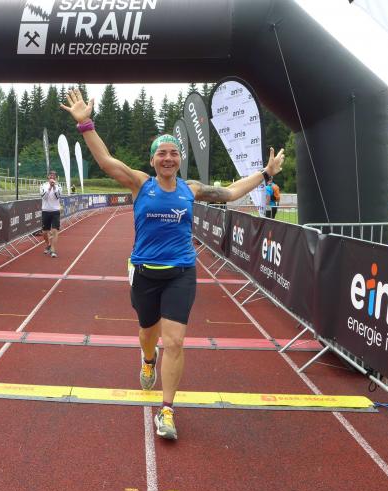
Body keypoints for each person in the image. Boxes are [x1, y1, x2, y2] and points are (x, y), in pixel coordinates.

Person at [61, 88, 285, 440]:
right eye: (161, 153)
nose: (168, 158)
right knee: (147, 334)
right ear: (152, 160)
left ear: (180, 159)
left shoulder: (190, 189)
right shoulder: (140, 184)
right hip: (145, 273)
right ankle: (148, 359)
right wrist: (85, 124)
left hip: (181, 272)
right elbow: (106, 162)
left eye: (173, 153)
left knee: (176, 341)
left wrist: (266, 174)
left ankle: (166, 410)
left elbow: (230, 193)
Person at [40, 170, 62, 258]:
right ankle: (48, 244)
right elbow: (44, 197)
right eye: (50, 175)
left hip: (55, 211)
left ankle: (53, 250)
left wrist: (54, 187)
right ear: (48, 177)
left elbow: (58, 196)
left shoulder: (59, 186)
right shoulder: (43, 185)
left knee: (54, 231)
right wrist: (49, 187)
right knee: (44, 232)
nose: (52, 177)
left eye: (54, 176)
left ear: (56, 177)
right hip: (46, 210)